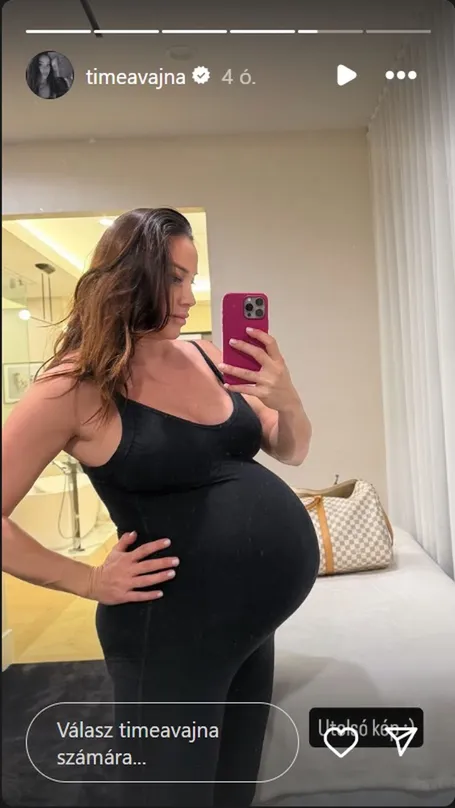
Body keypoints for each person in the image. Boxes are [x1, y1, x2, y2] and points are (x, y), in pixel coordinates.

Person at [2, 208, 320, 807]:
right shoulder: (75, 385)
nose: (188, 297)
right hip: (170, 636)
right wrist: (88, 580)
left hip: (248, 630)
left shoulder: (206, 355)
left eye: (191, 279)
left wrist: (288, 399)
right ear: (126, 275)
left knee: (233, 792)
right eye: (174, 278)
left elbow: (292, 449)